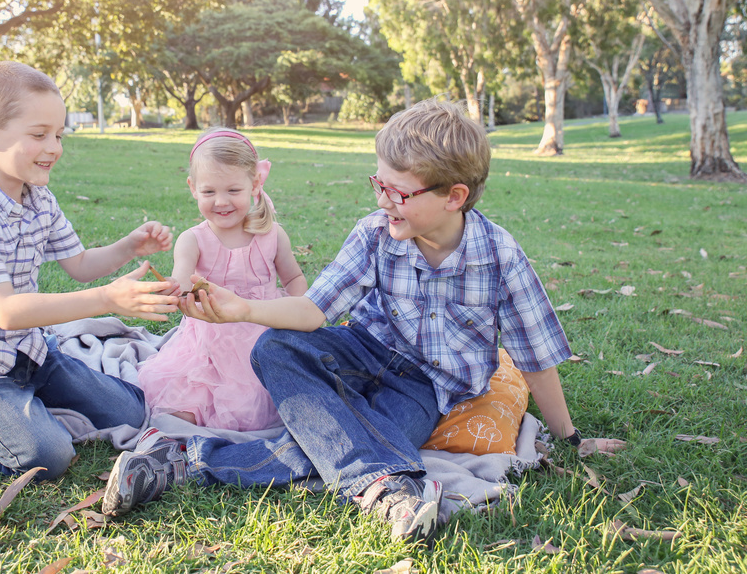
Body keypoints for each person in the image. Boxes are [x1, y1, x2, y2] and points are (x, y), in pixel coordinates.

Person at [101, 99, 626, 545]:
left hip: (424, 387)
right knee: (274, 349)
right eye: (379, 183)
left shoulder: (501, 258)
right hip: (359, 352)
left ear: (454, 196)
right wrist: (243, 310)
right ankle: (384, 484)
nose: (381, 200)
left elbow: (535, 357)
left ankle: (185, 462)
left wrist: (572, 439)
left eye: (397, 192)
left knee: (364, 438)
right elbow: (313, 310)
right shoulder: (375, 232)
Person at [0, 61, 178, 481]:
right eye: (39, 135)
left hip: (31, 353)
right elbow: (6, 311)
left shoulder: (40, 199)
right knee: (49, 456)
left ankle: (31, 399)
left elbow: (81, 266)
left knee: (133, 409)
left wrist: (130, 246)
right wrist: (108, 300)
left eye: (59, 135)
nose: (54, 147)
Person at [137, 129, 308, 431]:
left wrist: (302, 312)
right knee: (185, 407)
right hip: (209, 340)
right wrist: (172, 289)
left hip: (264, 333)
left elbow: (293, 277)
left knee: (266, 402)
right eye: (209, 192)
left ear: (254, 184)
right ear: (192, 188)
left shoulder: (272, 235)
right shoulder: (193, 239)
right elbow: (182, 278)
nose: (221, 202)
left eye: (233, 190)